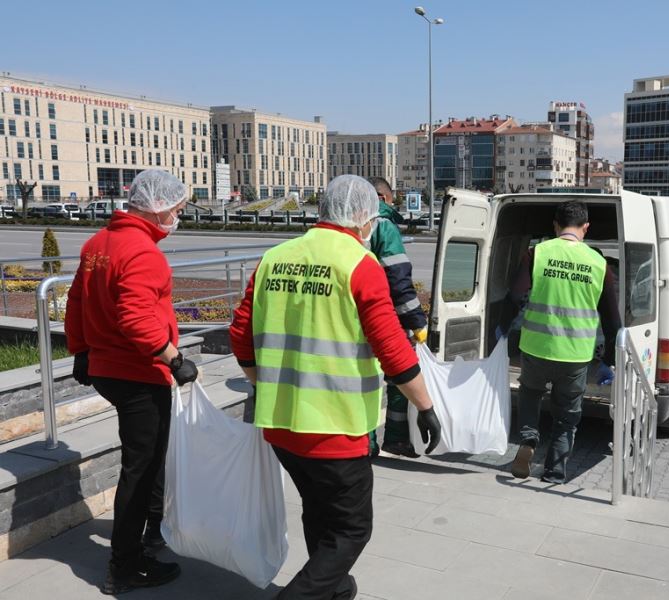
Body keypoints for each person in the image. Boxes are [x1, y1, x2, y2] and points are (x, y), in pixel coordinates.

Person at [229, 174, 441, 600]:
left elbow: (239, 333)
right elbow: (393, 349)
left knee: (319, 511)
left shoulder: (275, 257)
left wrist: (262, 383)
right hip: (337, 429)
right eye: (374, 219)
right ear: (364, 217)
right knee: (352, 529)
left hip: (282, 424)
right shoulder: (359, 266)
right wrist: (426, 407)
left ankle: (335, 589)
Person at [65, 169, 199, 595]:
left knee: (148, 460)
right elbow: (136, 318)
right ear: (159, 207)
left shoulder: (98, 243)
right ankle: (125, 566)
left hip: (108, 367)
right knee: (139, 471)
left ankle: (152, 533)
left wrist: (82, 349)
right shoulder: (142, 252)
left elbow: (77, 300)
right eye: (177, 210)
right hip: (139, 373)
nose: (178, 216)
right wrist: (174, 359)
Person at [499, 200, 620, 484]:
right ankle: (554, 472)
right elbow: (612, 321)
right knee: (567, 415)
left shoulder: (537, 253)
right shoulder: (599, 264)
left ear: (555, 225)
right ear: (585, 228)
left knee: (530, 392)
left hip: (536, 348)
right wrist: (609, 361)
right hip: (575, 356)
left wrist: (501, 330)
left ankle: (528, 438)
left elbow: (515, 297)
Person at [366, 176, 428, 459]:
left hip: (351, 317)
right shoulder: (384, 224)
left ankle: (365, 444)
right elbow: (398, 278)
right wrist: (416, 321)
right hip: (382, 318)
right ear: (383, 198)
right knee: (398, 379)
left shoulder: (347, 223)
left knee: (363, 384)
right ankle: (395, 439)